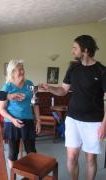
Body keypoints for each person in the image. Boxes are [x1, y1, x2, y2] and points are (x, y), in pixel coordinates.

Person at [39, 35, 106, 180]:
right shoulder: (73, 68)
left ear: (85, 50)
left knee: (90, 159)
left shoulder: (102, 71)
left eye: (75, 48)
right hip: (73, 119)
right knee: (71, 157)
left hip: (93, 122)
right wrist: (49, 87)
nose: (72, 51)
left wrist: (104, 125)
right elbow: (63, 90)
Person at [0, 59, 41, 169]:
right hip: (12, 122)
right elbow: (1, 109)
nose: (22, 72)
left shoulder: (30, 84)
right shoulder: (7, 87)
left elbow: (35, 104)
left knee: (31, 152)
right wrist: (13, 120)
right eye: (19, 70)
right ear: (12, 72)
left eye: (23, 69)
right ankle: (13, 176)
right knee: (13, 154)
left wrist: (38, 121)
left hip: (28, 120)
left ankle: (31, 175)